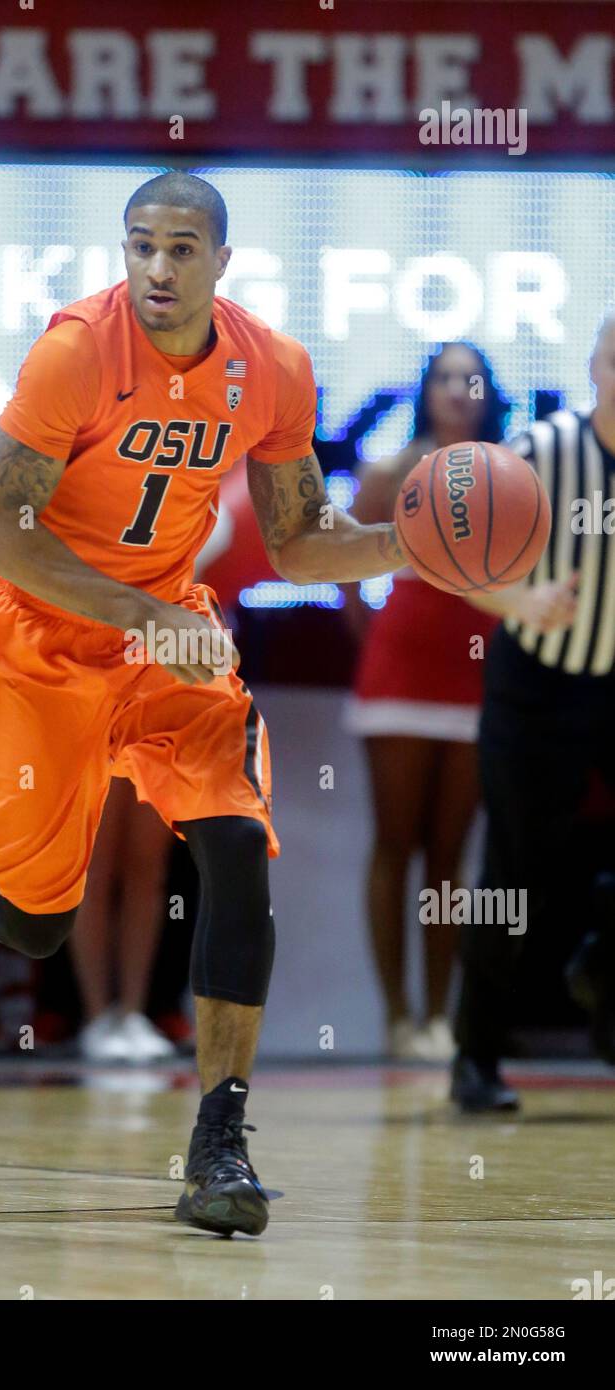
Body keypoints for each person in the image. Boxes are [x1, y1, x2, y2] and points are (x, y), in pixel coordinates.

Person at [0, 170, 412, 1238]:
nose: (156, 268)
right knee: (34, 918)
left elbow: (301, 536)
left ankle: (219, 1135)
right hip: (40, 638)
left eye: (178, 249)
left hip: (170, 635)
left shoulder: (272, 369)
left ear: (220, 260)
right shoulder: (78, 349)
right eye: (139, 246)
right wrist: (135, 609)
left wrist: (412, 547)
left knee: (233, 844)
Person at [452, 314, 615, 1112]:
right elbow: (447, 553)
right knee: (514, 872)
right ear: (595, 366)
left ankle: (601, 966)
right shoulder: (541, 451)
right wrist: (518, 596)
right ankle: (475, 1056)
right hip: (538, 684)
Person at [345, 345, 508, 1060]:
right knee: (395, 843)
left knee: (451, 855)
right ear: (425, 391)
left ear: (486, 394)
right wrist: (376, 637)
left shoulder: (511, 478)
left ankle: (440, 1019)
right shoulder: (390, 473)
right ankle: (394, 1018)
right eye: (443, 378)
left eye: (468, 379)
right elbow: (344, 569)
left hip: (476, 677)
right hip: (400, 673)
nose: (456, 391)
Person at [71, 775, 176, 1063]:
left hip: (154, 736)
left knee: (148, 868)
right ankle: (97, 1016)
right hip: (95, 734)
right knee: (93, 865)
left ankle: (133, 1012)